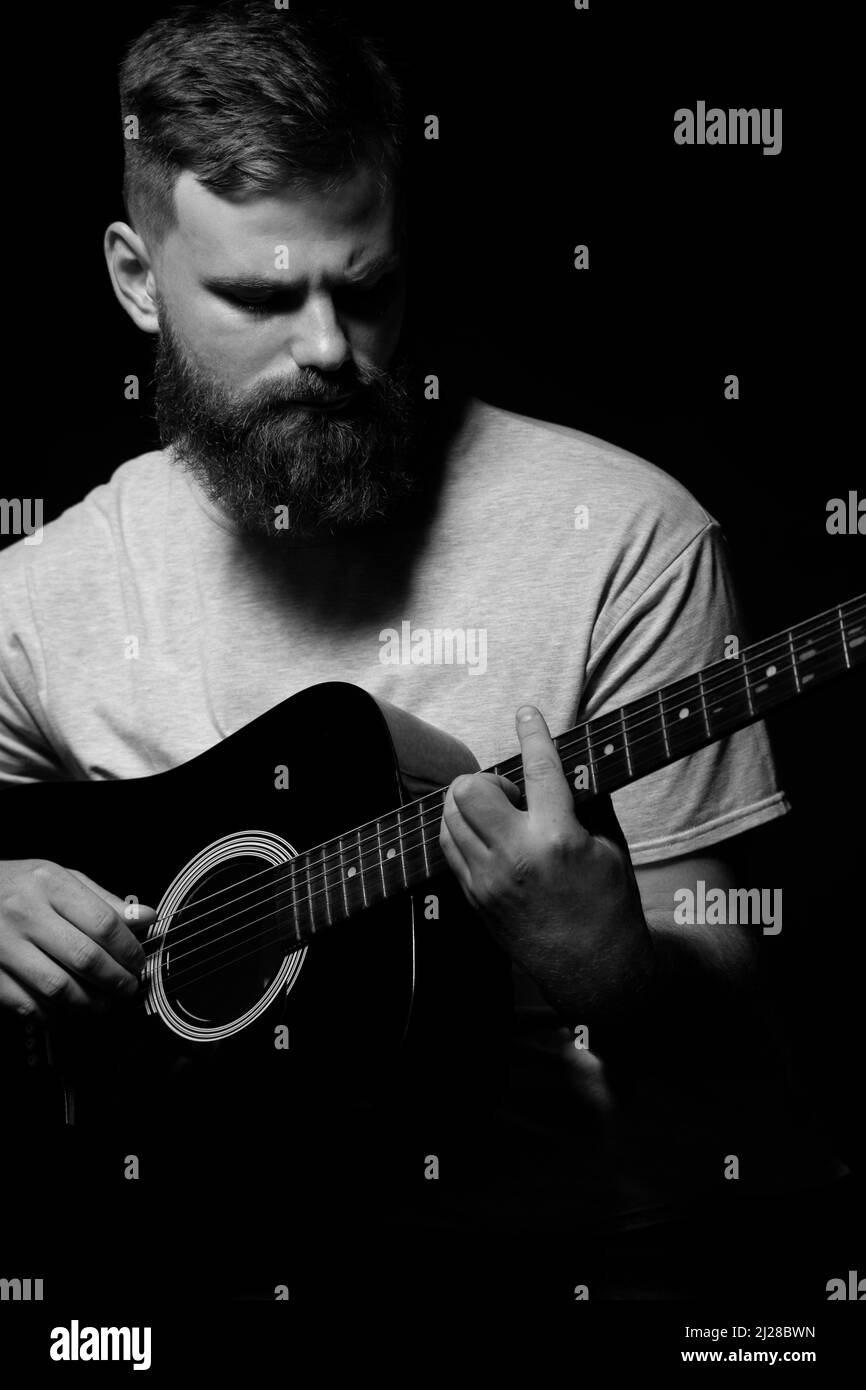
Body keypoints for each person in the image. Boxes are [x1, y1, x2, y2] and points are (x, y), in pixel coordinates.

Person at [0, 2, 844, 1303]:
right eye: (262, 298)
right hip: (194, 1264)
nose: (331, 348)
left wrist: (619, 961)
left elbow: (740, 976)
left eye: (367, 283)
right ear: (134, 278)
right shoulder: (44, 591)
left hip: (575, 1271)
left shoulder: (624, 535)